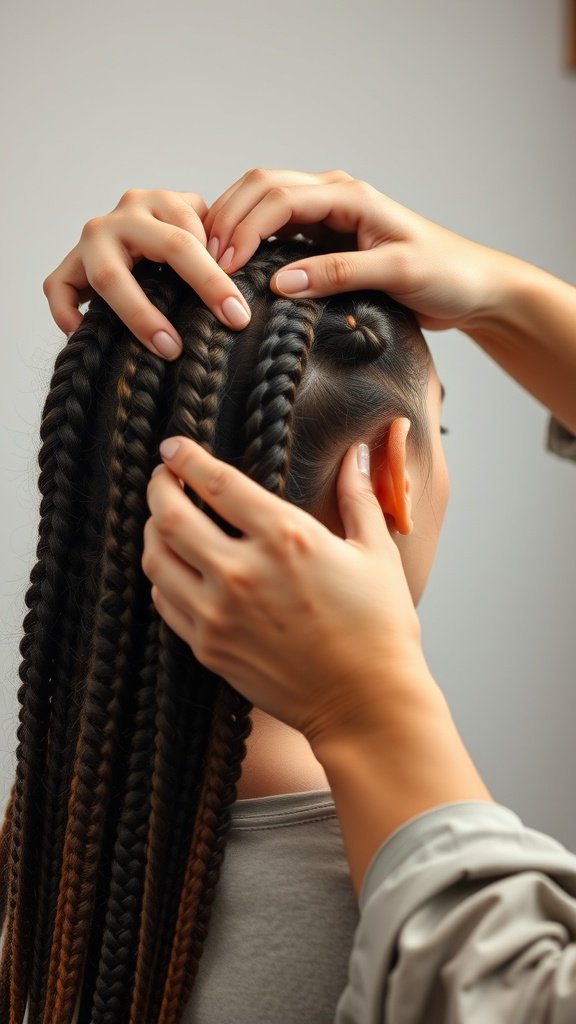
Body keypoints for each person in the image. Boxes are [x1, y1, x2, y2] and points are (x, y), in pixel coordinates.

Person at [36, 170, 576, 1022]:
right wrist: (501, 291)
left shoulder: (47, 881)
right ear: (391, 476)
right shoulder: (442, 937)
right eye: (442, 428)